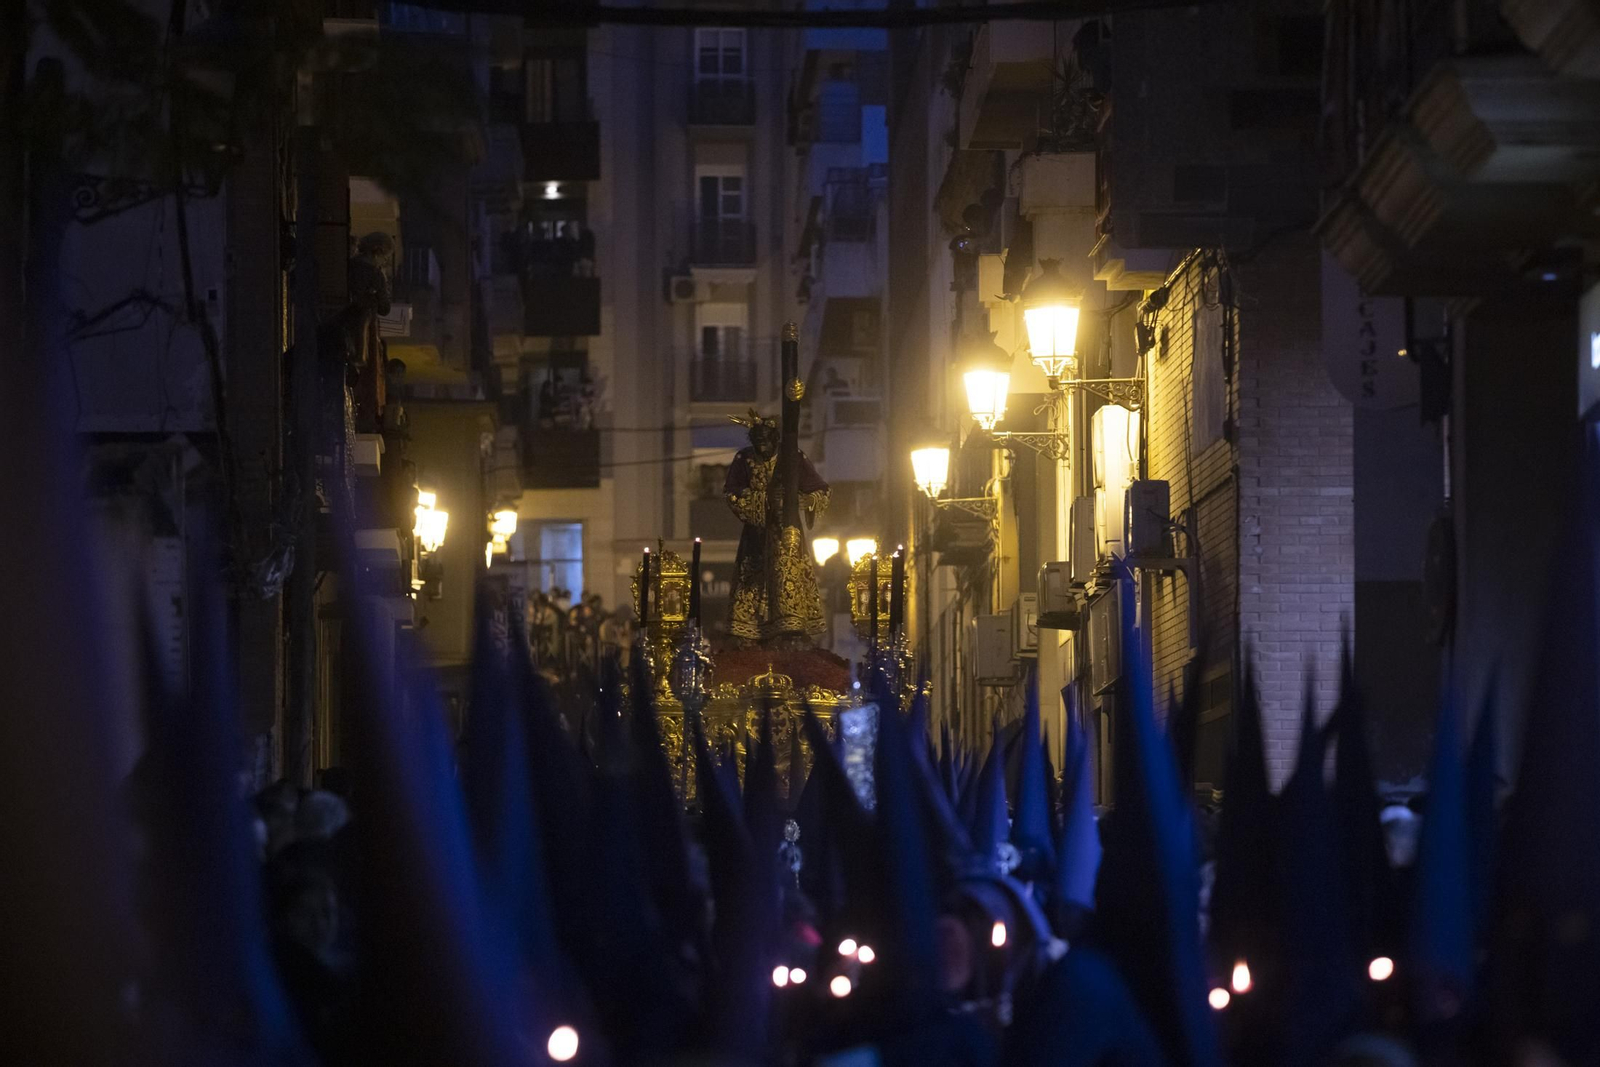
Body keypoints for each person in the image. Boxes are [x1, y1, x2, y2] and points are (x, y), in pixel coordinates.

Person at [722, 408, 829, 644]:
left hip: (786, 531)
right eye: (757, 440)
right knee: (752, 577)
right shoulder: (744, 459)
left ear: (775, 438)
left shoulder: (793, 458)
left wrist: (806, 500)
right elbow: (731, 492)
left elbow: (820, 489)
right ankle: (748, 631)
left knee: (788, 572)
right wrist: (762, 501)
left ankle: (791, 624)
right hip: (756, 533)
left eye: (766, 440)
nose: (762, 446)